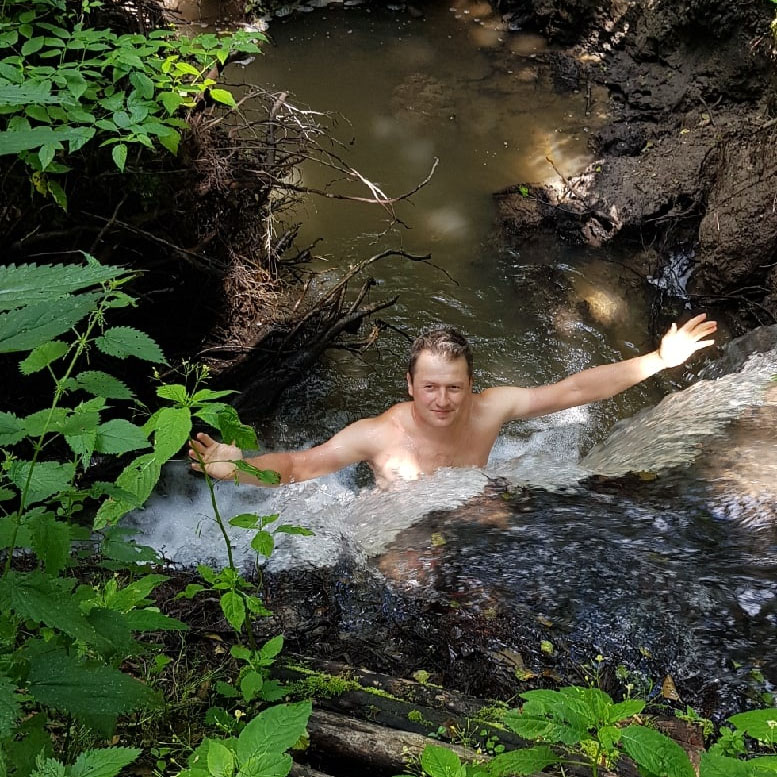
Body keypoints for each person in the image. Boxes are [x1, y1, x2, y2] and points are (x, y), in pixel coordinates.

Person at [189, 314, 717, 489]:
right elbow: (302, 465)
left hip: (469, 503)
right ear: (410, 385)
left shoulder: (491, 409)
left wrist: (658, 360)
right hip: (398, 522)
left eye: (455, 387)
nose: (443, 401)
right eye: (431, 387)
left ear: (471, 385)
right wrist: (243, 469)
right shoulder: (379, 435)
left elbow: (573, 390)